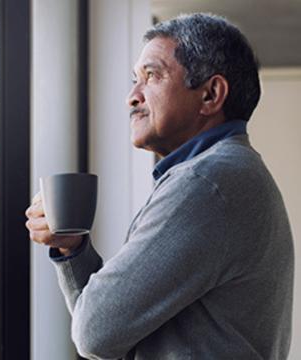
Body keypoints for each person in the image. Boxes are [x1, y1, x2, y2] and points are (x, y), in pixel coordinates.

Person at [25, 13, 294, 359]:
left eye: (151, 76)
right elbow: (106, 331)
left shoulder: (206, 183)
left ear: (211, 94)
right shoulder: (231, 173)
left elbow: (95, 333)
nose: (131, 97)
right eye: (134, 79)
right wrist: (72, 248)